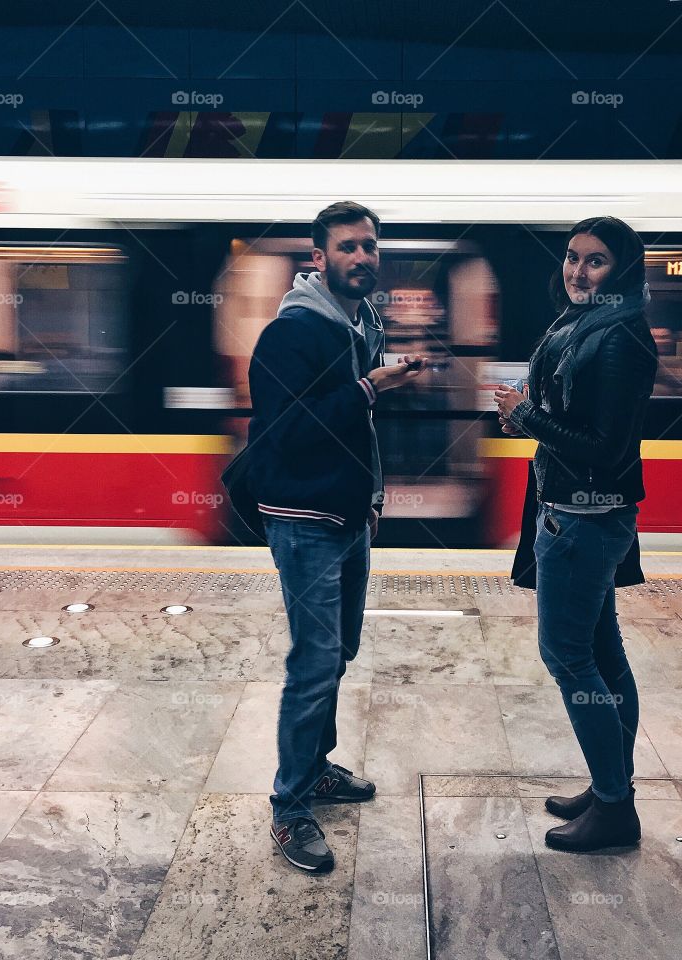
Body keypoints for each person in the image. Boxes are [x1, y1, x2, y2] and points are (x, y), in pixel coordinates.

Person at [247, 201, 426, 873]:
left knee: (339, 651)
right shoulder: (291, 334)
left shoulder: (362, 323)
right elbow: (288, 432)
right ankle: (291, 808)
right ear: (318, 259)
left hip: (349, 520)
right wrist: (369, 388)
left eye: (370, 247)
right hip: (303, 522)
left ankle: (316, 768)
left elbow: (359, 430)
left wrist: (372, 498)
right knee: (314, 662)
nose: (363, 258)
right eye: (348, 247)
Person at [495, 216, 658, 853]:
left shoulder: (620, 336)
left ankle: (615, 809)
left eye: (594, 262)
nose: (576, 271)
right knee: (603, 654)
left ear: (620, 269)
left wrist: (526, 416)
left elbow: (606, 448)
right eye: (571, 257)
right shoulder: (583, 324)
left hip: (584, 521)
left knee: (568, 657)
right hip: (577, 515)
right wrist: (529, 415)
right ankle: (610, 783)